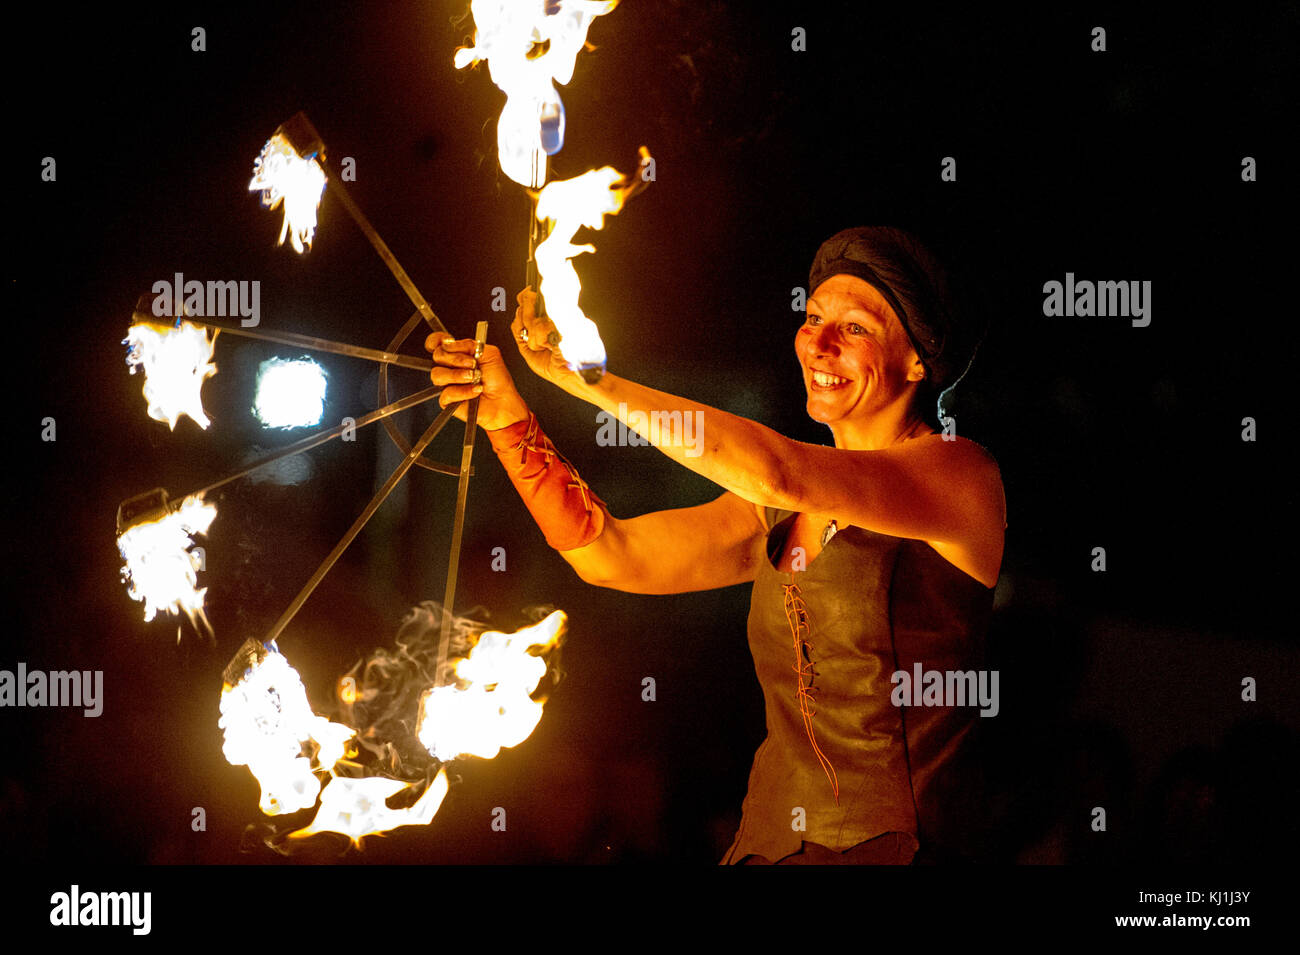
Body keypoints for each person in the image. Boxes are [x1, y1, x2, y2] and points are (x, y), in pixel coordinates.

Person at [427, 226, 1005, 864]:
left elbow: (779, 469)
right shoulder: (774, 507)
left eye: (857, 328)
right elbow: (611, 557)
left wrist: (586, 377)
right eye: (812, 318)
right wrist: (510, 420)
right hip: (765, 850)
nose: (819, 342)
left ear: (918, 361)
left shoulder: (960, 477)